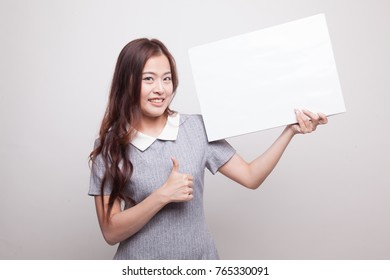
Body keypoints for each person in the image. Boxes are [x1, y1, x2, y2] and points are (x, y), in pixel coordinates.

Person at [88, 38, 328, 260]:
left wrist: (290, 131)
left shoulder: (196, 128)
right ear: (126, 82)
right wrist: (163, 195)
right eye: (148, 78)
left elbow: (251, 176)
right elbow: (110, 231)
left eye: (167, 78)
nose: (160, 89)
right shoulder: (108, 148)